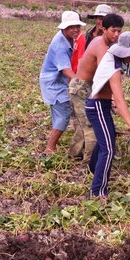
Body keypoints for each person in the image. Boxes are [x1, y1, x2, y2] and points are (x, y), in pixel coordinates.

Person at [86, 32, 130, 198]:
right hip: (97, 106)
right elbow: (120, 100)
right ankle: (97, 192)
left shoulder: (115, 60)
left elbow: (113, 95)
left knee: (107, 140)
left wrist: (111, 99)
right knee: (108, 149)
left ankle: (93, 169)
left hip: (102, 104)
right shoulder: (114, 68)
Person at [68, 14, 124, 162]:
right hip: (81, 88)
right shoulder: (102, 48)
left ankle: (74, 154)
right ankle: (90, 164)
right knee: (92, 126)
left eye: (119, 31)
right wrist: (114, 100)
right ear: (104, 29)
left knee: (83, 122)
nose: (117, 34)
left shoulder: (100, 41)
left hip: (87, 86)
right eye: (113, 30)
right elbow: (105, 76)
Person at [39, 11, 86, 155]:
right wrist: (81, 84)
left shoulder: (69, 38)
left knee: (60, 112)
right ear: (63, 28)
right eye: (71, 27)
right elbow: (66, 69)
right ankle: (50, 147)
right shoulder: (60, 45)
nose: (75, 30)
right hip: (54, 82)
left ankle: (52, 143)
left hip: (57, 80)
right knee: (64, 113)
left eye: (77, 26)